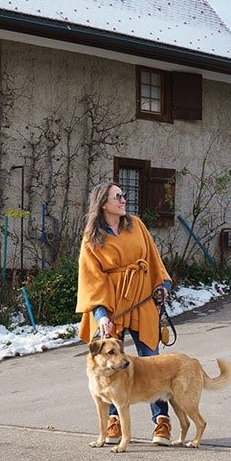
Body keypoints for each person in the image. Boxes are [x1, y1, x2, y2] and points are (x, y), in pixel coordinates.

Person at [76, 181, 173, 445]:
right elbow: (91, 281)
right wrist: (101, 316)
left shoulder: (137, 225)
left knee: (151, 360)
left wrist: (162, 285)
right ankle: (112, 422)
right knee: (107, 365)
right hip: (110, 306)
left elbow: (154, 259)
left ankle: (161, 422)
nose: (123, 200)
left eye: (124, 195)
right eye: (118, 196)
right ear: (103, 203)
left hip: (142, 299)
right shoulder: (91, 238)